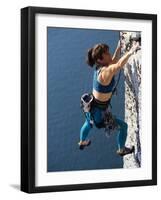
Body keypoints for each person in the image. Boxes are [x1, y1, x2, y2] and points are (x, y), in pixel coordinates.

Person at [78, 41, 139, 156]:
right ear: (100, 59)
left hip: (92, 106)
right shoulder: (105, 72)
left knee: (88, 123)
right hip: (100, 114)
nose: (109, 54)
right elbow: (118, 65)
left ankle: (82, 141)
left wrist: (119, 47)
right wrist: (131, 51)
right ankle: (121, 150)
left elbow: (113, 61)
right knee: (123, 127)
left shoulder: (99, 68)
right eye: (107, 53)